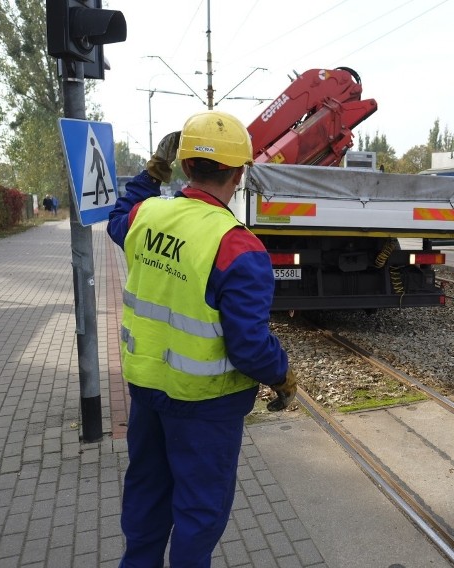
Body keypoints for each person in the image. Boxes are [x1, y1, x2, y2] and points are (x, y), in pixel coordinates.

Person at [106, 110, 297, 568]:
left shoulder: (146, 216)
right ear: (239, 172)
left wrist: (152, 172)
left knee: (147, 498)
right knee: (198, 514)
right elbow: (248, 345)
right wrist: (284, 378)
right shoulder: (238, 246)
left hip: (148, 393)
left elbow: (116, 216)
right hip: (207, 408)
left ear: (187, 167)